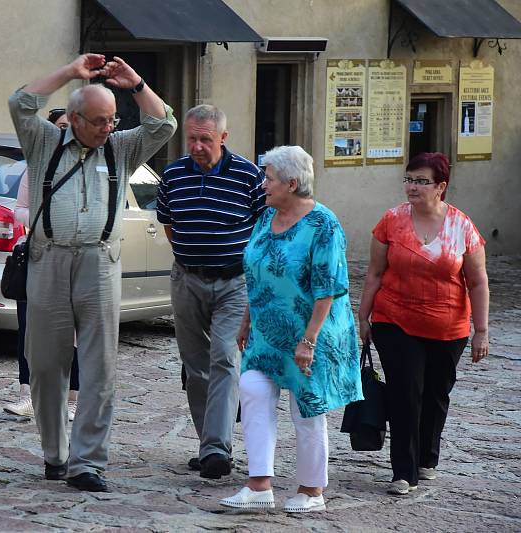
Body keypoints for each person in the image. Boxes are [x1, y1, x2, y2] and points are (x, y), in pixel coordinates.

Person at [8, 53, 176, 492]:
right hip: (48, 259)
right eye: (99, 121)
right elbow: (20, 102)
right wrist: (68, 72)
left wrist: (135, 83)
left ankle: (88, 462)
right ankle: (55, 451)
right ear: (74, 118)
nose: (108, 129)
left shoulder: (121, 148)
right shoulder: (44, 142)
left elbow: (163, 125)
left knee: (100, 367)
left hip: (100, 261)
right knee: (45, 364)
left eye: (113, 120)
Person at [219, 145, 361, 513]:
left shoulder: (324, 225)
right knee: (251, 388)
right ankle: (259, 485)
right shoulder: (267, 217)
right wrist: (247, 320)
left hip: (310, 332)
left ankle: (312, 491)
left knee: (306, 408)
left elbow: (327, 288)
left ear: (292, 183)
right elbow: (256, 271)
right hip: (267, 332)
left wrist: (308, 341)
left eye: (268, 178)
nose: (262, 184)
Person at [358, 152, 489, 496]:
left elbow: (477, 282)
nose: (412, 187)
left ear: (441, 187)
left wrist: (482, 331)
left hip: (448, 327)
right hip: (395, 319)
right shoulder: (391, 221)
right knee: (405, 393)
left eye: (421, 181)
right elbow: (374, 272)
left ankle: (427, 458)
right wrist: (363, 317)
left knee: (435, 393)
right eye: (409, 179)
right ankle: (404, 471)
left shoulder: (462, 227)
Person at [156, 104, 266, 479]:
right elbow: (169, 225)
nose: (197, 146)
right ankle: (210, 445)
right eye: (191, 138)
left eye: (205, 139)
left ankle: (217, 449)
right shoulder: (172, 175)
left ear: (223, 137)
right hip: (187, 279)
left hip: (235, 282)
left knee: (224, 357)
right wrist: (193, 257)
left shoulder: (249, 175)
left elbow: (263, 228)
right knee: (195, 364)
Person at [4, 108, 80, 421]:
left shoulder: (84, 165)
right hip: (37, 256)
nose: (64, 132)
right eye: (59, 126)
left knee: (74, 332)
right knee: (29, 330)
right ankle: (27, 395)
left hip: (75, 259)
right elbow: (18, 210)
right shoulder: (34, 168)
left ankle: (74, 399)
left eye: (68, 126)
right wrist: (46, 215)